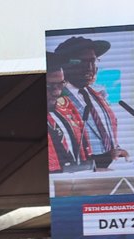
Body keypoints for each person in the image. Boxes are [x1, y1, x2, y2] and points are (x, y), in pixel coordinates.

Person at [51, 36, 126, 170]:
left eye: (93, 61)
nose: (90, 68)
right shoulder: (54, 100)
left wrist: (117, 152)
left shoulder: (97, 97)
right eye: (81, 62)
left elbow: (107, 138)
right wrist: (103, 159)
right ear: (65, 66)